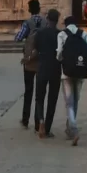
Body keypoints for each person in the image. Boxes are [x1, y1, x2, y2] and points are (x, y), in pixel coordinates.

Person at [57, 15, 87, 145]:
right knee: (76, 100)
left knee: (69, 103)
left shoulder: (62, 34)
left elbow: (59, 53)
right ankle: (69, 128)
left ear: (66, 24)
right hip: (80, 71)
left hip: (66, 73)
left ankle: (73, 129)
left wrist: (64, 59)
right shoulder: (83, 33)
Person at [19, 0, 47, 130]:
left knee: (28, 90)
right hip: (42, 60)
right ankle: (38, 122)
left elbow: (18, 38)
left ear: (30, 9)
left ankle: (25, 120)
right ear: (39, 9)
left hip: (29, 61)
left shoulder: (27, 23)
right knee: (40, 93)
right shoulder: (46, 22)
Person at [34, 9, 62, 139]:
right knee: (52, 99)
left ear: (47, 18)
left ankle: (40, 121)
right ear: (57, 20)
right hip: (55, 68)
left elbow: (36, 48)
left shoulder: (40, 33)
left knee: (39, 98)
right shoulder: (60, 34)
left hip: (42, 66)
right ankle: (47, 128)